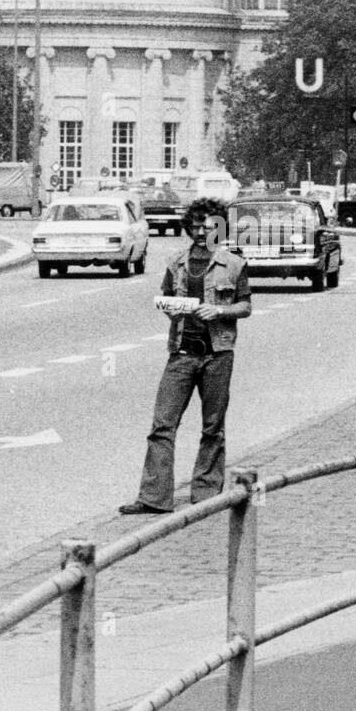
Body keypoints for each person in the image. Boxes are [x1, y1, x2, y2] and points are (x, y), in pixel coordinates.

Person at [119, 198, 252, 515]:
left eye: (208, 226)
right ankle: (154, 497)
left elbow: (245, 306)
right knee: (162, 425)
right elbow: (165, 298)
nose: (201, 231)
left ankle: (205, 495)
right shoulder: (175, 262)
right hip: (181, 353)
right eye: (195, 225)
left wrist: (218, 309)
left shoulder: (233, 264)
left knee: (212, 427)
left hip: (217, 354)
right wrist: (172, 309)